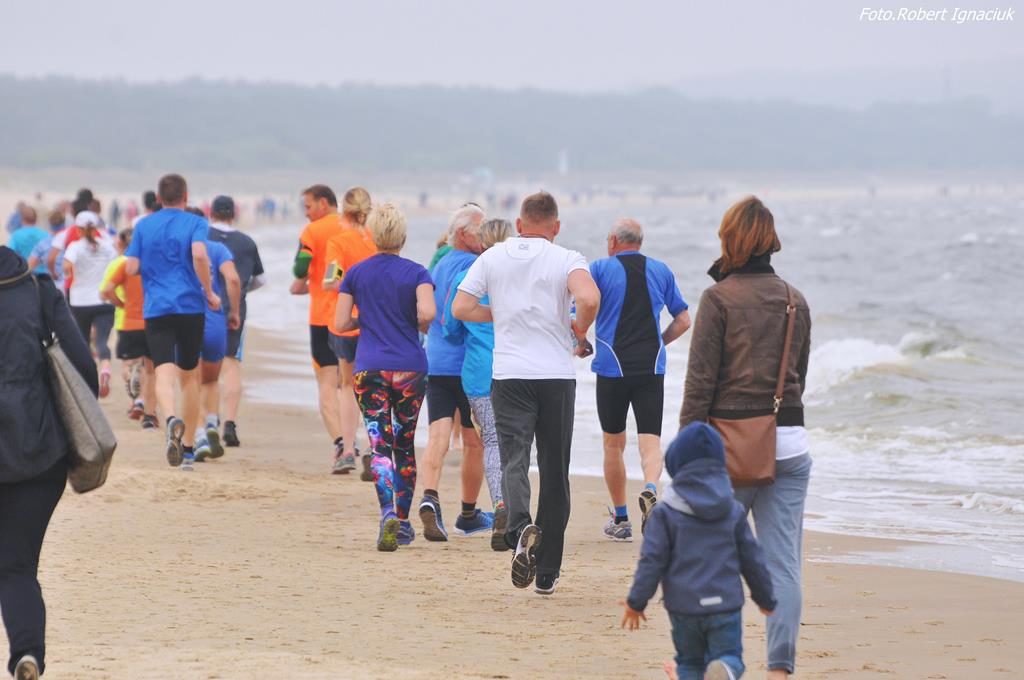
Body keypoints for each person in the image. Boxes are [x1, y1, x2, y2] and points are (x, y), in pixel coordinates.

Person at [680, 196, 812, 680]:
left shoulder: (718, 299)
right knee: (782, 566)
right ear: (771, 241)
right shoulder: (796, 300)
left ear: (729, 240)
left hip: (728, 448)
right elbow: (798, 377)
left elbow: (700, 386)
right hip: (788, 444)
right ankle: (779, 671)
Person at [453, 191, 600, 595]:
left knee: (514, 458)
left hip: (510, 375)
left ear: (519, 225)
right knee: (554, 471)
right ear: (556, 227)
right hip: (555, 377)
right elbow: (589, 297)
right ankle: (547, 572)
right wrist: (579, 328)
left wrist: (498, 314)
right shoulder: (567, 258)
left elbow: (460, 307)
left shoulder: (493, 257)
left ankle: (519, 529)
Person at [0, 244, 98, 680]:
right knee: (17, 564)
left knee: (12, 563)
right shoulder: (39, 291)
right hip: (40, 452)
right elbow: (83, 371)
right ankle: (27, 653)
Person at [621, 423, 777, 680]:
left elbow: (652, 561)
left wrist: (636, 602)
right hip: (724, 605)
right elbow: (752, 559)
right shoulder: (732, 510)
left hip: (684, 607)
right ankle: (725, 669)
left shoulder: (665, 513)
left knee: (690, 664)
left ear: (675, 465)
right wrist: (765, 598)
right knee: (730, 656)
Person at [334, 203, 435, 551]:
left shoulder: (355, 273)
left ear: (373, 235)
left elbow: (340, 323)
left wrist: (365, 319)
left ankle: (387, 513)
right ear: (403, 237)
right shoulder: (418, 273)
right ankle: (403, 523)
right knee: (404, 445)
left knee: (379, 445)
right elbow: (428, 313)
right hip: (410, 367)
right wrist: (410, 320)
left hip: (369, 368)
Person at [590, 218, 692, 541]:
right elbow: (684, 320)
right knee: (650, 442)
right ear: (640, 241)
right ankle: (650, 487)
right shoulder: (661, 270)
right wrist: (661, 341)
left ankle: (621, 519)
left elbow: (585, 306)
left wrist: (579, 339)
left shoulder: (599, 269)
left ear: (613, 241)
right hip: (651, 367)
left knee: (613, 444)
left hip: (611, 367)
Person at [125, 174, 221, 470]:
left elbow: (131, 267)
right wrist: (209, 292)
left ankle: (169, 418)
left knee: (163, 370)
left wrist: (152, 267)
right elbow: (199, 254)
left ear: (158, 197)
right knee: (189, 376)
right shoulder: (196, 222)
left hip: (157, 308)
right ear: (186, 196)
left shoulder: (144, 225)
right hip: (190, 306)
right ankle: (189, 448)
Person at [418, 204, 490, 541]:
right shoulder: (475, 266)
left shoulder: (439, 263)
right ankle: (468, 513)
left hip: (435, 362)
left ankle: (429, 498)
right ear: (462, 234)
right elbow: (456, 317)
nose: (485, 236)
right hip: (467, 364)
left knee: (438, 436)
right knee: (474, 442)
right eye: (480, 230)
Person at [442, 218, 514, 551]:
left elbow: (450, 328)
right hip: (518, 368)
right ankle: (514, 508)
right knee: (518, 443)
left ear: (481, 245)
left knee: (492, 441)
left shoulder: (467, 277)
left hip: (479, 372)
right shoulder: (520, 275)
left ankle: (501, 504)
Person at [321, 187, 376, 475]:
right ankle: (371, 448)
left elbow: (331, 280)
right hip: (374, 321)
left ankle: (347, 451)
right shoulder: (378, 240)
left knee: (346, 386)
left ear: (344, 210)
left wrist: (350, 289)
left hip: (344, 322)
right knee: (372, 387)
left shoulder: (339, 242)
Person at [290, 184, 346, 469]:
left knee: (326, 383)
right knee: (350, 385)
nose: (306, 213)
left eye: (308, 206)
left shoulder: (312, 231)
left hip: (323, 318)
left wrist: (301, 278)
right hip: (354, 317)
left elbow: (301, 267)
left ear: (323, 203)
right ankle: (359, 440)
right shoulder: (356, 229)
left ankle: (341, 443)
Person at [207, 195, 265, 448]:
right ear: (234, 214)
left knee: (204, 369)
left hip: (204, 307)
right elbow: (260, 280)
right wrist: (240, 292)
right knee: (231, 364)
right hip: (235, 309)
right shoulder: (246, 242)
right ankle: (229, 423)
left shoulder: (202, 236)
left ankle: (208, 420)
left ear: (211, 213)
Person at [190, 222, 242, 464]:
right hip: (214, 319)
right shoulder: (217, 249)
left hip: (187, 316)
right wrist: (234, 311)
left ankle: (199, 435)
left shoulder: (177, 248)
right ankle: (212, 421)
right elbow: (233, 279)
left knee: (190, 381)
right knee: (210, 380)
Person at [100, 228, 157, 426]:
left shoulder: (119, 264)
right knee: (150, 368)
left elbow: (105, 291)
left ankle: (134, 393)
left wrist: (120, 303)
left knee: (128, 363)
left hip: (126, 321)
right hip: (151, 320)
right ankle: (145, 408)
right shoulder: (153, 264)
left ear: (122, 244)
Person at [62, 211, 118, 398]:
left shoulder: (75, 247)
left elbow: (66, 268)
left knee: (83, 342)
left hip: (80, 301)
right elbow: (116, 268)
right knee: (102, 341)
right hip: (104, 300)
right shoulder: (108, 246)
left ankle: (87, 378)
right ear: (96, 229)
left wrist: (70, 273)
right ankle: (105, 369)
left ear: (78, 229)